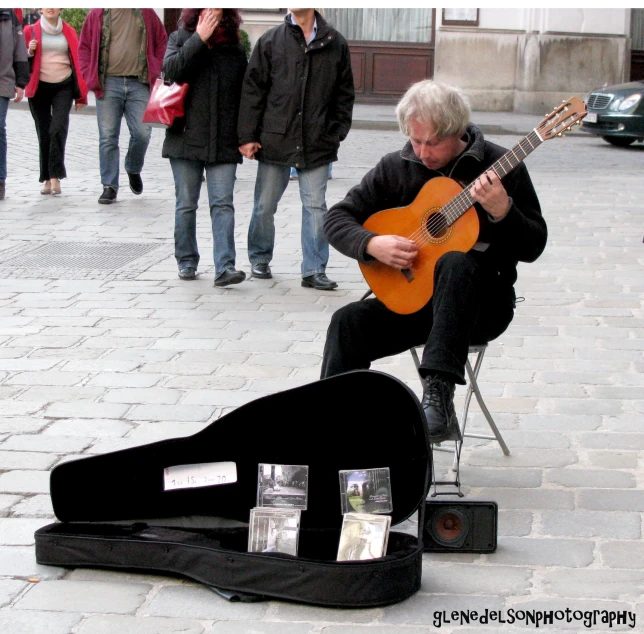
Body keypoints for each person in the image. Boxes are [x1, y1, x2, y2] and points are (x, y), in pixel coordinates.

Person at [320, 80, 547, 443]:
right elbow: (336, 218)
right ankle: (335, 427)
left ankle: (438, 401)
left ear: (455, 133)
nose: (422, 152)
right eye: (415, 140)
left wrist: (505, 212)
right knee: (348, 322)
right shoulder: (397, 166)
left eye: (433, 143)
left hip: (480, 305)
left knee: (456, 262)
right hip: (418, 305)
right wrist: (372, 243)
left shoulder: (501, 165)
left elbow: (535, 244)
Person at [238, 8, 354, 290]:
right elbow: (253, 91)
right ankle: (259, 258)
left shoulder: (334, 42)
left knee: (316, 207)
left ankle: (314, 270)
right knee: (265, 205)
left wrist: (336, 131)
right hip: (275, 138)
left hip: (317, 141)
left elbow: (345, 92)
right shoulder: (270, 40)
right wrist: (247, 136)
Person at [162, 8, 247, 287]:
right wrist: (198, 38)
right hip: (185, 137)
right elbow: (171, 71)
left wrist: (246, 135)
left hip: (223, 140)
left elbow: (246, 96)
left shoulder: (235, 46)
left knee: (223, 204)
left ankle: (225, 266)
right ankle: (186, 260)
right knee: (186, 203)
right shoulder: (180, 37)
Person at [78, 9, 167, 204]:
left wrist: (156, 66)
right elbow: (83, 46)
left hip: (140, 83)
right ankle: (109, 186)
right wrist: (88, 75)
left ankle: (133, 167)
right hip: (108, 83)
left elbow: (162, 41)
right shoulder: (98, 14)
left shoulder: (146, 13)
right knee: (108, 136)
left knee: (143, 133)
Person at [24, 8, 88, 196]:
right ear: (41, 8)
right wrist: (30, 51)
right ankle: (47, 178)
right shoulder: (30, 30)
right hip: (39, 87)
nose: (50, 7)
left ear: (61, 8)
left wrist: (81, 95)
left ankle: (55, 177)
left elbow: (77, 60)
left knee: (57, 128)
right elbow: (21, 58)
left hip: (64, 85)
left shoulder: (69, 31)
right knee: (44, 132)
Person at [0, 9, 29, 201]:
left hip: (3, 81)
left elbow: (19, 51)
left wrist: (21, 81)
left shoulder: (9, 15)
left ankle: (0, 179)